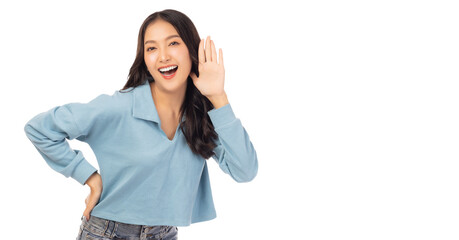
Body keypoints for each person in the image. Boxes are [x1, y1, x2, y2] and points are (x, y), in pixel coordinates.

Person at [23, 8, 258, 240]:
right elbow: (40, 129)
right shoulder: (119, 107)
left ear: (191, 50)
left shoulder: (199, 117)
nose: (163, 56)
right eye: (152, 48)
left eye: (173, 43)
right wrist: (91, 178)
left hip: (165, 234)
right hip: (107, 234)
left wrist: (218, 97)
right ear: (145, 59)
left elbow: (245, 170)